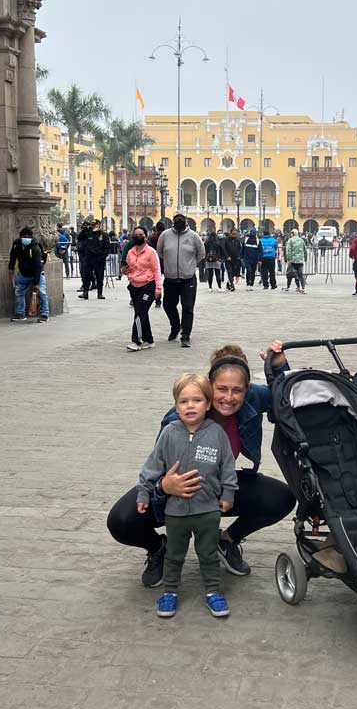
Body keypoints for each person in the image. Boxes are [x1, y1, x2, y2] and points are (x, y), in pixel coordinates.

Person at [107, 341, 295, 585]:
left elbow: (286, 399)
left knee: (282, 497)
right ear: (208, 387)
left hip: (219, 486)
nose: (229, 397)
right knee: (121, 521)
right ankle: (159, 548)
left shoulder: (251, 397)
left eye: (237, 390)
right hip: (177, 491)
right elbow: (156, 465)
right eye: (221, 389)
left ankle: (225, 540)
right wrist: (164, 487)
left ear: (246, 388)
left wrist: (279, 365)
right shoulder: (177, 418)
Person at [136, 373, 237, 619]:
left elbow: (227, 466)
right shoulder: (169, 433)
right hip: (176, 511)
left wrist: (228, 492)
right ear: (175, 404)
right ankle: (170, 591)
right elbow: (153, 464)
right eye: (183, 401)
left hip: (208, 510)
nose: (190, 406)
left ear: (208, 403)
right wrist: (144, 491)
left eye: (197, 400)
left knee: (208, 554)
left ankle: (213, 591)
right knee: (174, 555)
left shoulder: (216, 433)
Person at [156, 214, 205, 348]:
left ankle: (185, 335)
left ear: (186, 222)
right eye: (176, 220)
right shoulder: (165, 235)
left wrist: (190, 264)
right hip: (170, 278)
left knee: (188, 307)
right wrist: (170, 262)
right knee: (168, 305)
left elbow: (201, 253)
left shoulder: (194, 236)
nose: (179, 222)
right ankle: (175, 326)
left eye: (181, 220)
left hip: (188, 279)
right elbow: (160, 251)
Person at [121, 226, 162, 351]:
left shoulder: (151, 252)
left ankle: (136, 341)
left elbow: (157, 271)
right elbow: (130, 269)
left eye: (141, 235)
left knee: (139, 313)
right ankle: (148, 339)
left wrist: (158, 289)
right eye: (136, 234)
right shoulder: (130, 252)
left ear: (145, 236)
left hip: (148, 286)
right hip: (134, 286)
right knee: (142, 312)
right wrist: (125, 271)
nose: (138, 237)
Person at [8, 226, 49, 322]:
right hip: (23, 274)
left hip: (37, 273)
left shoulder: (35, 247)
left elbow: (38, 266)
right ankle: (20, 313)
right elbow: (12, 257)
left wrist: (36, 282)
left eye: (28, 237)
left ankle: (44, 314)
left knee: (42, 293)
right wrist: (11, 268)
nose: (26, 239)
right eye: (24, 237)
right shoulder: (17, 245)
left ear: (31, 237)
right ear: (20, 237)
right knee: (19, 292)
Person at [77, 219, 111, 300]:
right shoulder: (88, 233)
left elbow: (107, 247)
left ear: (99, 224)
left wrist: (103, 256)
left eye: (95, 224)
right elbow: (79, 238)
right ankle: (85, 292)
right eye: (92, 224)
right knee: (86, 276)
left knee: (99, 276)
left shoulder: (104, 235)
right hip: (89, 258)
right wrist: (85, 229)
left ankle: (100, 293)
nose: (94, 226)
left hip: (99, 259)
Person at [284, 228, 307, 293]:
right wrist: (305, 258)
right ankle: (303, 288)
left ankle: (288, 287)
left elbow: (288, 250)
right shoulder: (301, 240)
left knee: (290, 274)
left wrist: (288, 259)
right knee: (300, 274)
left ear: (292, 234)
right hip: (300, 260)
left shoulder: (290, 240)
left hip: (293, 260)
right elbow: (305, 250)